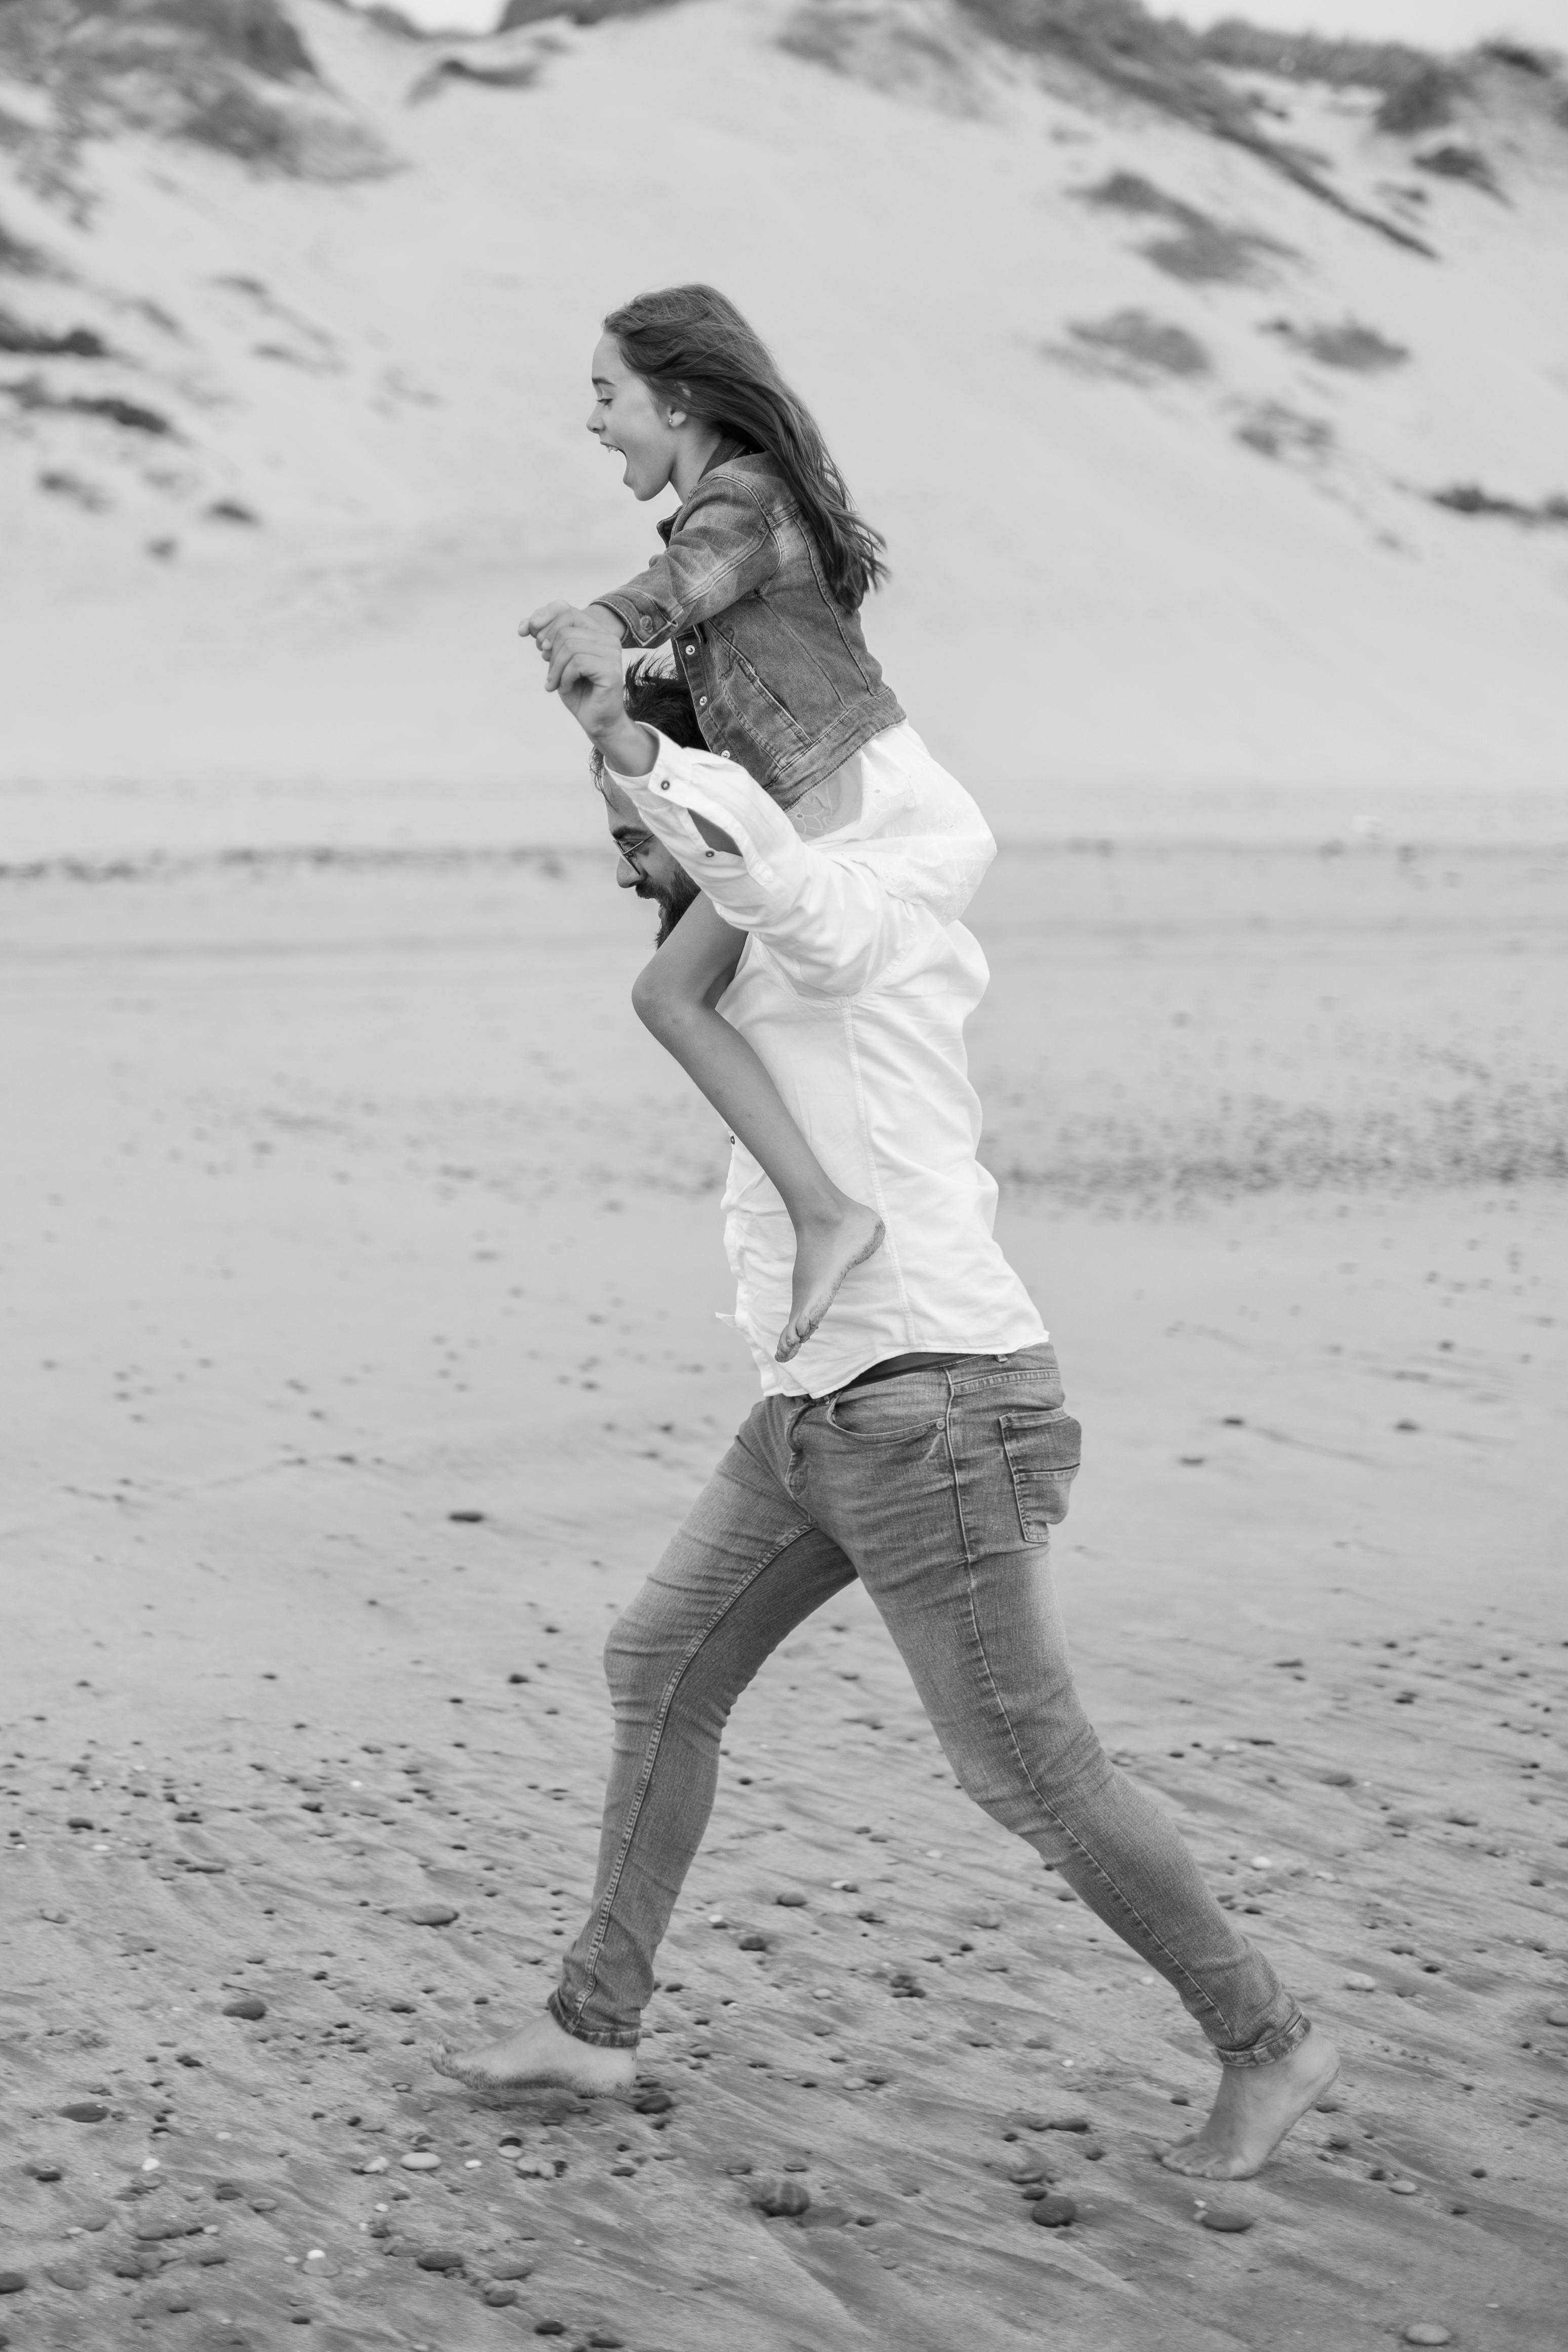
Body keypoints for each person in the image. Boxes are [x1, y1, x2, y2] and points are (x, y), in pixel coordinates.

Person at [433, 638, 1341, 2181]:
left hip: (936, 1403)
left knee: (1027, 1768)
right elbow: (688, 965)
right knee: (661, 1660)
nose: (624, 855)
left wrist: (673, 765)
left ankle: (1269, 2040)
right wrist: (628, 751)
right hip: (817, 1407)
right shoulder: (747, 942)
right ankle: (594, 2023)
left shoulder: (846, 922)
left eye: (636, 829)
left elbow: (774, 874)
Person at [527, 283, 950, 1364]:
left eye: (604, 393)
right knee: (690, 988)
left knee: (671, 995)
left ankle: (828, 1213)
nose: (591, 420)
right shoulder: (750, 502)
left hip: (841, 798)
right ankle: (811, 1210)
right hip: (817, 799)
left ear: (675, 400)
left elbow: (682, 580)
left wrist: (601, 625)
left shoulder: (745, 501)